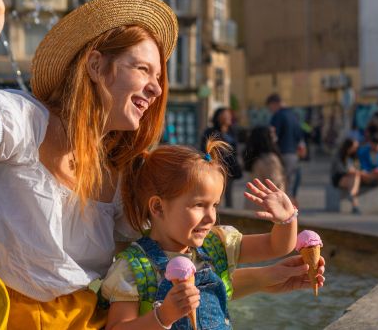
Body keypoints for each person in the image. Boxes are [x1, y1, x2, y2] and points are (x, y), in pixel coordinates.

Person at [0, 0, 326, 327]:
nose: (158, 89)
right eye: (143, 70)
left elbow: (159, 272)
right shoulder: (20, 120)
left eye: (160, 78)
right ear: (96, 65)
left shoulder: (121, 176)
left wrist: (271, 277)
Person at [102, 140, 314, 329]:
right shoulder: (133, 267)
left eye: (214, 205)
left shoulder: (217, 244)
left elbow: (275, 247)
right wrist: (163, 316)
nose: (211, 217)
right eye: (199, 205)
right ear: (157, 208)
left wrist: (286, 220)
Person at [201, 107, 242, 208]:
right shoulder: (210, 131)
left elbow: (236, 149)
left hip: (230, 168)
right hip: (216, 167)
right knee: (216, 194)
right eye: (225, 115)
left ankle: (229, 217)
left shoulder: (233, 131)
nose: (228, 117)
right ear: (218, 117)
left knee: (229, 195)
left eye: (229, 115)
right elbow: (205, 149)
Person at [266, 94, 304, 202]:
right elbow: (299, 136)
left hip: (281, 153)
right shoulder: (294, 115)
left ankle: (286, 214)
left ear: (274, 104)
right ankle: (293, 215)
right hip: (293, 154)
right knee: (291, 186)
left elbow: (273, 136)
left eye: (270, 107)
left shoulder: (278, 116)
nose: (270, 110)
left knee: (282, 186)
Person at [243, 126, 286, 199]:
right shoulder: (270, 160)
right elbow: (275, 185)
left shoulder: (254, 157)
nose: (275, 136)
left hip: (253, 201)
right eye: (272, 133)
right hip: (267, 203)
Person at [330, 138, 362, 214]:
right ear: (348, 146)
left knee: (355, 178)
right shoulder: (339, 155)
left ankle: (353, 202)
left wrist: (354, 171)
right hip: (339, 177)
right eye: (354, 147)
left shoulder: (354, 156)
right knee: (355, 178)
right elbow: (340, 170)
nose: (355, 149)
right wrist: (351, 171)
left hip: (352, 177)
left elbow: (358, 167)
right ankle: (354, 204)